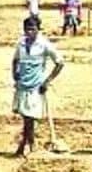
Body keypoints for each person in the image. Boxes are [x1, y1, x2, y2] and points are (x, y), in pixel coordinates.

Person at [11, 16, 64, 157]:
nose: (29, 33)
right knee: (25, 116)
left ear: (38, 30)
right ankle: (27, 145)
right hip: (22, 85)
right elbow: (15, 60)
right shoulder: (21, 44)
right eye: (27, 29)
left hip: (36, 86)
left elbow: (60, 63)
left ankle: (27, 145)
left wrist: (47, 81)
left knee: (30, 117)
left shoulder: (44, 45)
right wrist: (14, 74)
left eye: (32, 29)